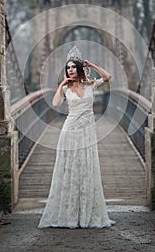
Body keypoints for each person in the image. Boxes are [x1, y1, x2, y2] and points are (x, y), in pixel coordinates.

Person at [38, 46, 115, 228]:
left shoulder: (91, 85)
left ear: (80, 68)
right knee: (70, 169)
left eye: (73, 67)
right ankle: (69, 212)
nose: (70, 70)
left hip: (87, 131)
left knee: (86, 167)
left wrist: (92, 65)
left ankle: (85, 213)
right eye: (68, 68)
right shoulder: (66, 89)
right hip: (70, 131)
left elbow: (107, 77)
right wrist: (60, 86)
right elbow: (56, 103)